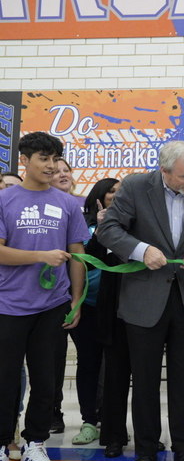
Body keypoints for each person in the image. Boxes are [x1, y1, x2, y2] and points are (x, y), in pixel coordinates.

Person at [97, 140, 184, 461]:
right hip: (144, 301)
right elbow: (108, 229)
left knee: (183, 382)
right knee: (146, 381)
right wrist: (140, 250)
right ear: (163, 171)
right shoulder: (137, 187)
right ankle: (146, 451)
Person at [0, 132, 88, 461]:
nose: (51, 166)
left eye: (55, 159)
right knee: (5, 378)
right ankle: (2, 444)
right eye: (43, 159)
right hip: (8, 304)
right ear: (26, 160)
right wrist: (41, 255)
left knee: (46, 379)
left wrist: (76, 301)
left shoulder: (67, 204)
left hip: (53, 304)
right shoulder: (5, 200)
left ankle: (35, 444)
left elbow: (78, 256)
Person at [66, 178, 121, 446]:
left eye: (120, 192)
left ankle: (113, 423)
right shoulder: (83, 223)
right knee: (89, 363)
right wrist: (100, 227)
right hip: (87, 306)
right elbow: (83, 261)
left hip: (118, 307)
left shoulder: (129, 223)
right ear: (99, 195)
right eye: (111, 191)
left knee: (116, 366)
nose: (116, 195)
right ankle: (89, 421)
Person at [49, 156, 84, 434]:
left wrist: (78, 298)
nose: (61, 174)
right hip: (38, 295)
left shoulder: (80, 205)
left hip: (79, 295)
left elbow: (79, 256)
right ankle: (52, 411)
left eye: (66, 170)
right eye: (56, 170)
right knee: (49, 360)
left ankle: (92, 418)